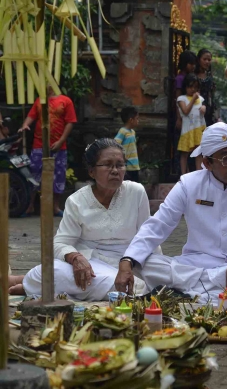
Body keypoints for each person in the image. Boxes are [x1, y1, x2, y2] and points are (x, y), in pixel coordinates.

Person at [114, 123, 227, 304]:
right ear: (207, 163)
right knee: (145, 263)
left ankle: (187, 293)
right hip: (194, 264)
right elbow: (159, 224)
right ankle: (207, 291)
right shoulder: (189, 184)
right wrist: (127, 260)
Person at [8, 139, 156, 299]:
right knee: (48, 271)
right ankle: (34, 283)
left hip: (131, 263)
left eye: (120, 165)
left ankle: (33, 286)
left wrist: (152, 267)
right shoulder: (77, 201)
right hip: (92, 265)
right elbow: (59, 243)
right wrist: (76, 258)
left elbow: (147, 236)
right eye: (107, 164)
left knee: (147, 283)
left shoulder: (136, 192)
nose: (115, 171)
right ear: (92, 171)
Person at [19, 86, 77, 216]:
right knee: (34, 174)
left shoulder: (65, 101)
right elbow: (31, 116)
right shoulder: (40, 100)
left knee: (58, 175)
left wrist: (61, 141)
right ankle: (30, 206)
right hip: (39, 144)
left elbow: (70, 122)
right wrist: (25, 125)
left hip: (58, 145)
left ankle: (55, 207)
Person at [177, 74, 206, 174]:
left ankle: (199, 174)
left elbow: (201, 114)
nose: (193, 89)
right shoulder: (181, 99)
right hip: (187, 130)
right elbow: (185, 111)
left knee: (198, 153)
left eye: (195, 87)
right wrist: (193, 99)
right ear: (185, 87)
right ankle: (183, 174)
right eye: (190, 86)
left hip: (197, 129)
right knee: (184, 153)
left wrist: (203, 109)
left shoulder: (201, 99)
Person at [115, 106, 140, 182]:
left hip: (135, 165)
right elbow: (115, 144)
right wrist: (122, 157)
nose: (138, 121)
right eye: (137, 118)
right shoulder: (123, 131)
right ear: (131, 120)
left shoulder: (132, 132)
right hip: (127, 166)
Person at [195, 49, 218, 126]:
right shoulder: (193, 76)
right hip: (196, 108)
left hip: (209, 110)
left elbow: (212, 94)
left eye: (209, 60)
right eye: (204, 59)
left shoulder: (209, 76)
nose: (207, 62)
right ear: (199, 60)